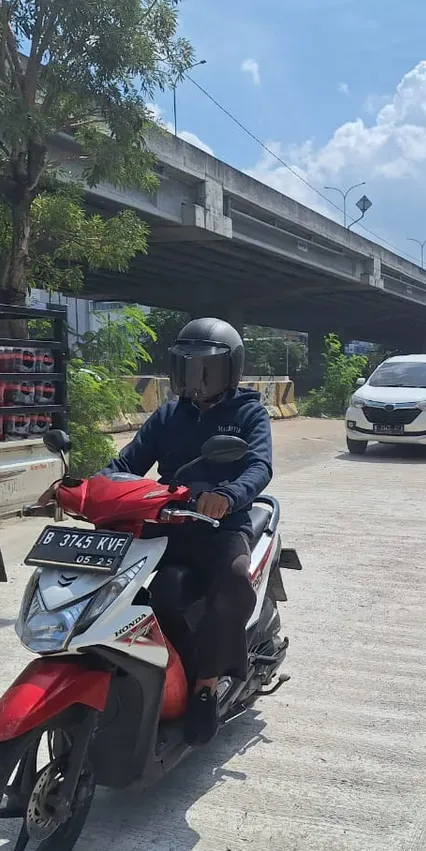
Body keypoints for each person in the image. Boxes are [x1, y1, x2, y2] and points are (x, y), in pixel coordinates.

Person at [95, 317, 273, 745]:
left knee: (232, 585)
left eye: (206, 368)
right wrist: (88, 486)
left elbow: (259, 466)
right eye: (188, 368)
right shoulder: (168, 414)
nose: (196, 378)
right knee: (128, 589)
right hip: (165, 522)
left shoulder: (248, 412)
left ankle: (206, 685)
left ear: (229, 369)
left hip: (220, 526)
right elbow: (126, 464)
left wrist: (228, 494)